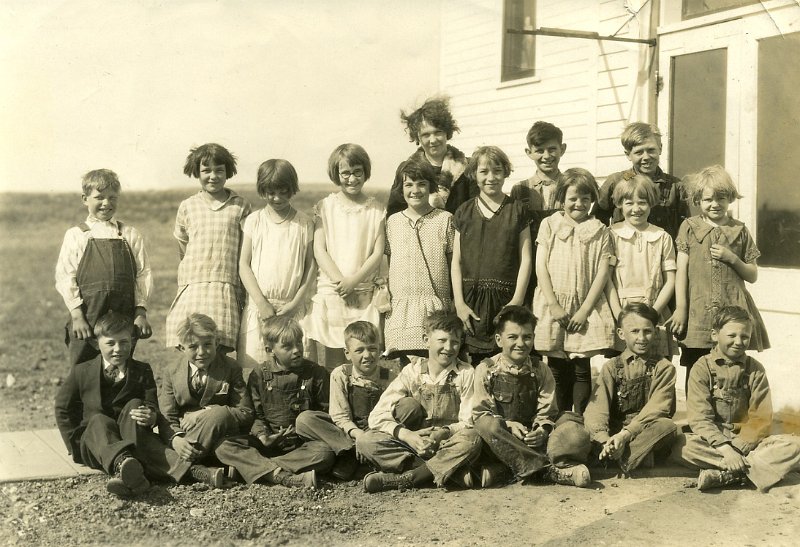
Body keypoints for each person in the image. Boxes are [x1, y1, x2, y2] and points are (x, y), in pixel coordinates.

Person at [670, 306, 800, 492]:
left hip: (748, 442)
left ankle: (727, 475)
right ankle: (753, 471)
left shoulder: (755, 369)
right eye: (732, 336)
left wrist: (739, 448)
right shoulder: (702, 367)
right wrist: (726, 449)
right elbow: (700, 418)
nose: (739, 342)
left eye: (745, 337)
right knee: (681, 447)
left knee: (794, 446)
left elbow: (761, 417)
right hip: (712, 442)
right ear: (715, 335)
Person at [54, 312, 179, 496]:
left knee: (135, 404)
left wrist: (151, 415)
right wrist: (74, 445)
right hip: (97, 445)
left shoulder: (142, 370)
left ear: (133, 341)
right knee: (98, 420)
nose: (118, 349)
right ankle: (124, 464)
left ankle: (130, 477)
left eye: (124, 342)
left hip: (133, 439)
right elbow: (62, 408)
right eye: (110, 343)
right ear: (97, 343)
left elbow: (151, 404)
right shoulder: (82, 371)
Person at [668, 166, 770, 391]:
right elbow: (681, 269)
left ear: (730, 198)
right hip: (697, 311)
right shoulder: (689, 227)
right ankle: (697, 418)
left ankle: (727, 415)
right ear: (697, 200)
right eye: (708, 199)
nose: (715, 204)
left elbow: (752, 275)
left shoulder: (739, 230)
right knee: (696, 366)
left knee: (730, 364)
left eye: (721, 198)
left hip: (730, 309)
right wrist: (681, 308)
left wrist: (732, 258)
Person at [356, 311, 482, 492]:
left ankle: (409, 478)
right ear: (426, 339)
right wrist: (408, 436)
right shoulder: (412, 372)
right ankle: (447, 472)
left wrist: (444, 433)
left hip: (450, 443)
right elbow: (377, 415)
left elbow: (468, 421)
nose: (449, 348)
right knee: (366, 441)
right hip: (417, 446)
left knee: (473, 438)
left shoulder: (466, 373)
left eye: (455, 342)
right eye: (442, 341)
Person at [472, 306, 592, 488]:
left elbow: (548, 410)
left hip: (534, 439)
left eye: (527, 337)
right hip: (503, 440)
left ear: (533, 339)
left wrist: (542, 430)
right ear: (499, 340)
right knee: (485, 424)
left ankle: (510, 470)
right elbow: (482, 413)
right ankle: (546, 470)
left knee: (574, 428)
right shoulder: (486, 369)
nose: (520, 343)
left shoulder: (541, 369)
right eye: (512, 337)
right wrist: (509, 426)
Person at [533, 168, 615, 414]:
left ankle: (579, 417)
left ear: (592, 201)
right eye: (573, 198)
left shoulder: (600, 230)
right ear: (562, 198)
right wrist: (554, 305)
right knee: (557, 365)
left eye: (585, 199)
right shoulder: (549, 225)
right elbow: (541, 266)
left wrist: (585, 311)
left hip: (585, 305)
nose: (579, 204)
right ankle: (558, 418)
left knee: (581, 367)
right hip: (553, 303)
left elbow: (602, 273)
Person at [55, 169, 153, 365]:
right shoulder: (77, 235)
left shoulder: (130, 234)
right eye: (99, 197)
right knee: (84, 367)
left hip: (123, 314)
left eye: (112, 198)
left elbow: (143, 274)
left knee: (119, 364)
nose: (106, 203)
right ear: (85, 199)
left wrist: (140, 312)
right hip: (87, 314)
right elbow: (66, 276)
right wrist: (77, 315)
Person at [302, 144, 386, 370]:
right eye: (345, 173)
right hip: (333, 289)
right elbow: (320, 249)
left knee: (364, 355)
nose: (352, 178)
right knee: (335, 357)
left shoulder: (377, 210)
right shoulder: (325, 207)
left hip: (362, 291)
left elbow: (377, 252)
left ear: (365, 172)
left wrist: (353, 282)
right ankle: (336, 403)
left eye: (357, 171)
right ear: (336, 174)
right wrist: (342, 283)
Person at [165, 143, 251, 353]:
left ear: (227, 171)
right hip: (194, 284)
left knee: (219, 345)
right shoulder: (188, 206)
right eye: (206, 170)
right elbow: (183, 246)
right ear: (197, 172)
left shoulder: (240, 206)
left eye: (219, 170)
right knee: (192, 344)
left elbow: (247, 249)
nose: (213, 176)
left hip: (225, 284)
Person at [291, 321, 403, 480]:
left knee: (407, 406)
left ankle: (366, 456)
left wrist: (369, 438)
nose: (367, 355)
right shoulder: (341, 374)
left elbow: (391, 416)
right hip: (347, 434)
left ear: (379, 349)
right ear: (347, 353)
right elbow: (340, 416)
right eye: (359, 350)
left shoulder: (390, 378)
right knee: (305, 420)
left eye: (372, 349)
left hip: (377, 434)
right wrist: (358, 437)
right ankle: (352, 454)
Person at [452, 146, 533, 363]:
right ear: (474, 175)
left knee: (510, 359)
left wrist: (516, 300)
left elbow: (526, 259)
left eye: (497, 171)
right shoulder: (464, 212)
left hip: (506, 299)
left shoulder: (517, 210)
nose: (491, 177)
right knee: (476, 365)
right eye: (484, 172)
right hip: (472, 301)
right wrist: (460, 303)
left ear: (506, 172)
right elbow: (456, 262)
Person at [238, 159, 315, 368]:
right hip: (261, 309)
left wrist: (295, 303)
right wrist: (261, 303)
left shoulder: (304, 223)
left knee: (298, 367)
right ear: (262, 191)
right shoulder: (254, 221)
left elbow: (310, 267)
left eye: (283, 191)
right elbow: (244, 265)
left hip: (292, 309)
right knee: (258, 369)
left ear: (292, 189)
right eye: (271, 192)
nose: (277, 198)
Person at [584, 303, 677, 473]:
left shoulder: (664, 367)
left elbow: (657, 409)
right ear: (621, 333)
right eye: (634, 331)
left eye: (647, 331)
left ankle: (623, 458)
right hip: (615, 433)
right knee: (580, 428)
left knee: (667, 426)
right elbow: (597, 410)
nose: (641, 338)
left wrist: (625, 436)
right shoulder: (611, 367)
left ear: (656, 332)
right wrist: (605, 440)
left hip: (644, 432)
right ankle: (620, 453)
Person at [248, 316, 337, 482]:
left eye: (299, 342)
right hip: (268, 444)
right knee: (229, 445)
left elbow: (325, 415)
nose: (297, 350)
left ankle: (260, 468)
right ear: (270, 350)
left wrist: (301, 432)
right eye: (287, 346)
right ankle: (267, 467)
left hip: (304, 445)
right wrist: (264, 437)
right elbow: (254, 415)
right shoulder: (259, 375)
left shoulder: (317, 374)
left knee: (324, 453)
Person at [385, 156, 455, 356]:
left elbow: (453, 266)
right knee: (406, 372)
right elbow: (390, 264)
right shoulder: (392, 222)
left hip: (435, 304)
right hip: (402, 310)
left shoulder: (445, 220)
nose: (415, 190)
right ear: (401, 188)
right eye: (408, 184)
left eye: (421, 184)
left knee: (438, 361)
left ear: (431, 186)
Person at [606, 175, 677, 357]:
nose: (636, 209)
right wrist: (620, 316)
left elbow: (670, 281)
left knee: (657, 367)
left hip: (654, 311)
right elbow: (606, 280)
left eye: (642, 203)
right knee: (623, 370)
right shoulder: (612, 235)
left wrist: (653, 314)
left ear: (651, 203)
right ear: (620, 204)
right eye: (629, 203)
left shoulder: (662, 237)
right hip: (621, 310)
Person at [594, 122, 689, 240]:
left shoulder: (676, 186)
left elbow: (684, 229)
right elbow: (597, 222)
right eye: (639, 152)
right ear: (628, 154)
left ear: (660, 148)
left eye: (651, 150)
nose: (646, 157)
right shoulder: (616, 182)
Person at [386, 96, 477, 216]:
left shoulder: (468, 167)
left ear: (447, 133)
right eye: (426, 135)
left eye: (438, 132)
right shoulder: (406, 169)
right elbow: (394, 214)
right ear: (418, 137)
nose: (433, 140)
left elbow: (475, 214)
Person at [509, 121, 566, 214]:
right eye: (540, 151)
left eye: (552, 149)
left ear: (562, 149)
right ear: (529, 153)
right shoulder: (520, 189)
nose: (546, 156)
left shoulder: (571, 185)